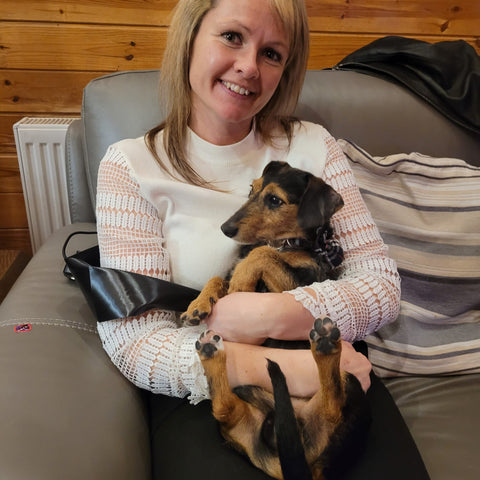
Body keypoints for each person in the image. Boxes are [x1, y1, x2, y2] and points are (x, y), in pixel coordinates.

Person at [95, 0, 429, 479]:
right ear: (190, 38)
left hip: (335, 383)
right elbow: (135, 340)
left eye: (272, 53)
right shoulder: (131, 167)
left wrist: (275, 313)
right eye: (232, 37)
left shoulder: (314, 147)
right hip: (214, 393)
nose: (249, 66)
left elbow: (380, 285)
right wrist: (275, 366)